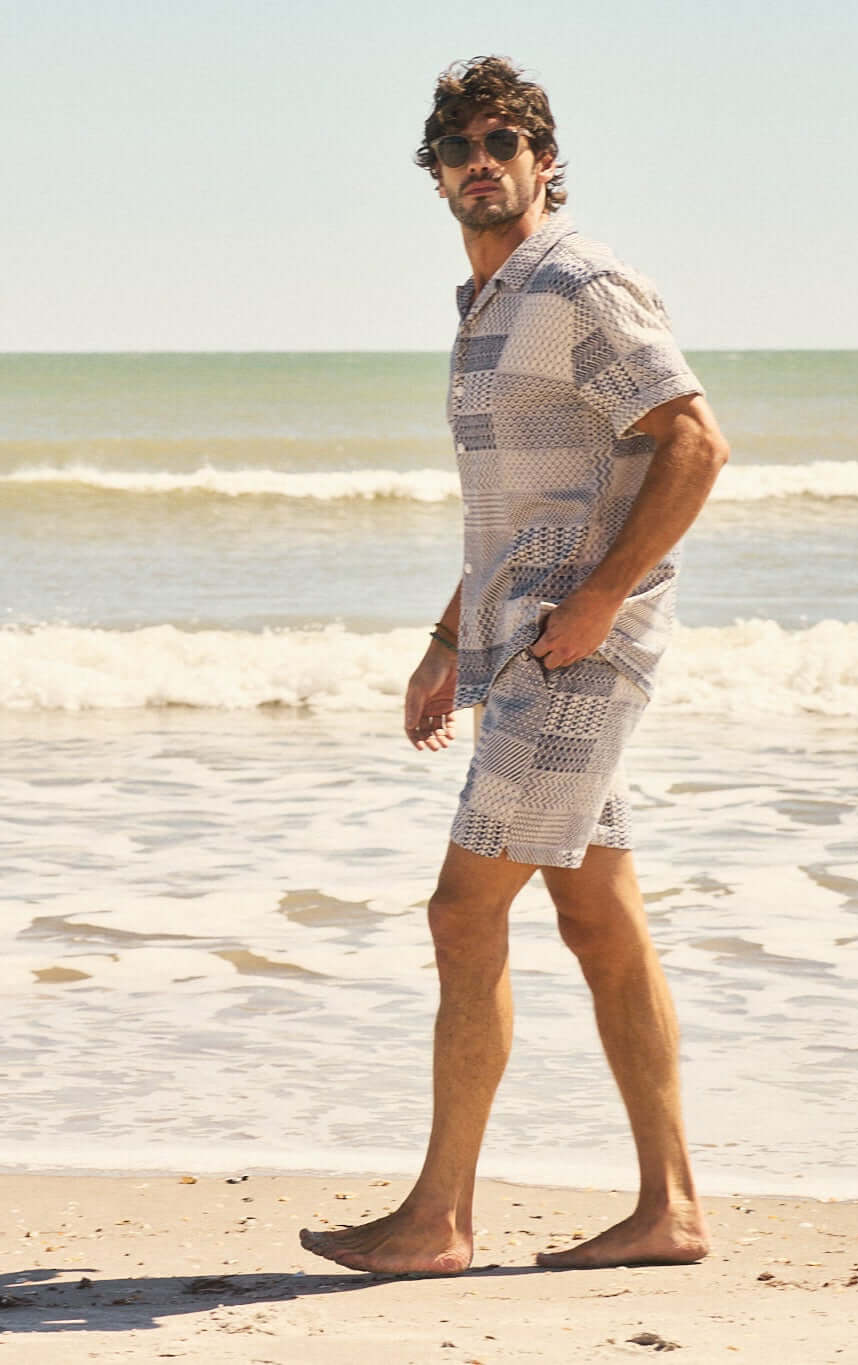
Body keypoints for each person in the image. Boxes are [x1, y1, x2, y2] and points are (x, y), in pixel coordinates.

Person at [300, 56, 730, 1275]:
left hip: (576, 651)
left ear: (545, 161)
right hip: (524, 643)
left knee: (461, 909)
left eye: (504, 141)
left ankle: (438, 1219)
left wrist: (598, 601)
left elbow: (695, 442)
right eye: (458, 148)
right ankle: (671, 1209)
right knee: (598, 918)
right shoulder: (488, 305)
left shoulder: (581, 283)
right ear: (435, 176)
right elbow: (519, 507)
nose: (479, 162)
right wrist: (448, 640)